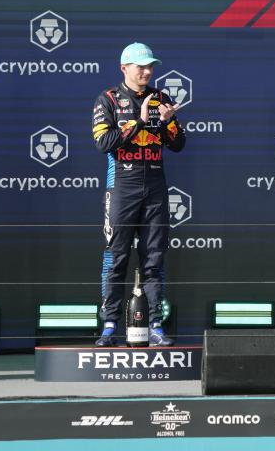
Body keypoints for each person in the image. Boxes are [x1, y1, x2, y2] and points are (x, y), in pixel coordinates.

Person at [91, 42, 186, 346]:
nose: (147, 71)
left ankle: (156, 325)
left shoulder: (161, 98)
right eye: (140, 66)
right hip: (122, 186)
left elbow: (178, 144)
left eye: (150, 66)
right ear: (124, 68)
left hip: (155, 185)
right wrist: (140, 122)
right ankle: (108, 327)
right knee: (116, 256)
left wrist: (168, 119)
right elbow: (105, 143)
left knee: (153, 259)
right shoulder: (107, 99)